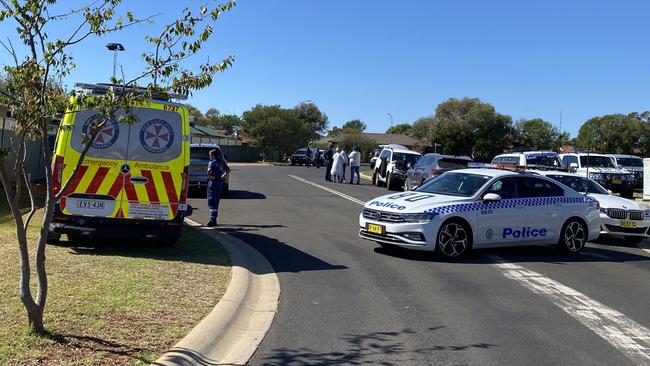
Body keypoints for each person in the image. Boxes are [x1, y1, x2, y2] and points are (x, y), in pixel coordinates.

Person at [207, 148, 230, 227]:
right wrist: (222, 176)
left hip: (213, 183)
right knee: (216, 201)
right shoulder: (221, 162)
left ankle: (212, 220)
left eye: (210, 155)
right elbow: (228, 170)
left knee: (211, 200)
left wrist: (210, 176)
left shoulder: (211, 163)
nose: (209, 156)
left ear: (213, 155)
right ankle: (214, 219)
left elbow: (209, 171)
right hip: (219, 183)